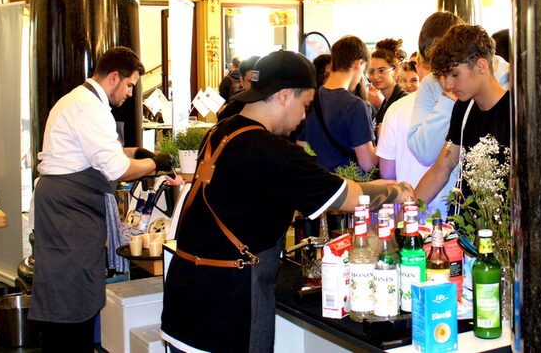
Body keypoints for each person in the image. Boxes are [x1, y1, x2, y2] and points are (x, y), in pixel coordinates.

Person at [161, 51, 414, 353]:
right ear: (284, 96)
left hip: (184, 300)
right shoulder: (271, 151)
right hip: (227, 312)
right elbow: (346, 198)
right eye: (305, 105)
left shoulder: (222, 131)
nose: (304, 117)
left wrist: (366, 186)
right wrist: (397, 192)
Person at [30, 46, 180, 352]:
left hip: (67, 210)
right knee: (69, 299)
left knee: (69, 293)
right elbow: (117, 169)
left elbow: (104, 155)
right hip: (68, 213)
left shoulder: (80, 101)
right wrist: (154, 164)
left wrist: (139, 152)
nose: (128, 93)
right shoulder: (89, 108)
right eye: (128, 85)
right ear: (113, 77)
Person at [414, 25, 511, 209]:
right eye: (445, 76)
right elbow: (442, 167)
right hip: (465, 228)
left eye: (455, 74)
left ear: (481, 66)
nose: (449, 85)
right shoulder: (463, 108)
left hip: (503, 230)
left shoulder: (515, 111)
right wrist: (407, 215)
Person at [408, 12, 510, 165]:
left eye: (453, 73)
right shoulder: (430, 83)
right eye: (440, 72)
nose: (446, 82)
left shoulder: (508, 79)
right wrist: (449, 99)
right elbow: (425, 154)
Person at [377, 49, 447, 218]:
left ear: (418, 68)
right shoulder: (464, 104)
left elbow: (387, 174)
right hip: (452, 214)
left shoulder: (396, 109)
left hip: (408, 215)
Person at [299, 36, 377, 174]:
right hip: (349, 187)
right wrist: (383, 146)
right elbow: (368, 164)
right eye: (364, 70)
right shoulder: (355, 105)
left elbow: (301, 148)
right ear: (358, 64)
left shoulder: (310, 99)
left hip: (318, 182)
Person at [369, 38, 408, 131]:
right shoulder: (386, 103)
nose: (376, 76)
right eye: (371, 71)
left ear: (395, 71)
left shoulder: (403, 102)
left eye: (381, 71)